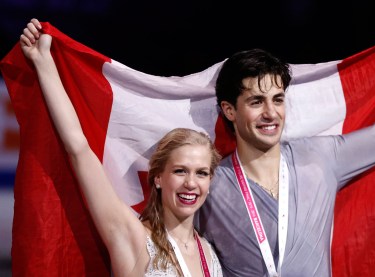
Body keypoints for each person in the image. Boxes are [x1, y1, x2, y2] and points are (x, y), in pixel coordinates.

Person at [194, 5, 375, 277]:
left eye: (278, 100)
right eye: (257, 101)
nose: (271, 113)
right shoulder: (208, 183)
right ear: (229, 110)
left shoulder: (321, 158)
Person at [20, 19, 223, 277]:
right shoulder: (132, 237)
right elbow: (78, 149)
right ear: (158, 177)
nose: (191, 183)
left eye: (201, 173)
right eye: (180, 171)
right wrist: (43, 62)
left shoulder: (209, 253)